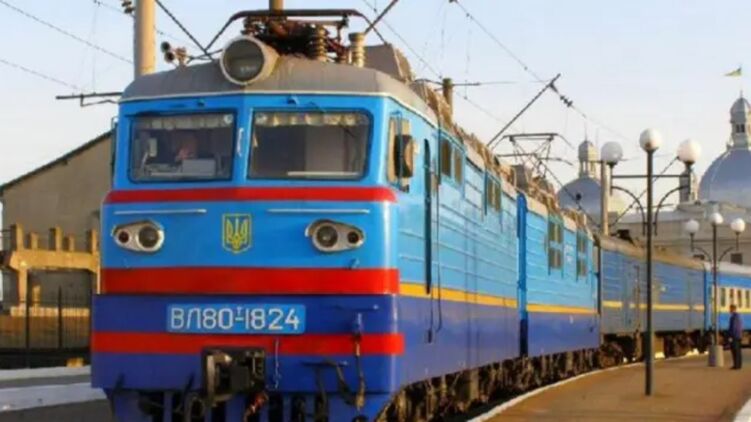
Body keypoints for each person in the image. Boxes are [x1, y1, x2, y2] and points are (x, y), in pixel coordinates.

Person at [728, 304, 743, 369]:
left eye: (730, 309)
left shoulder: (734, 317)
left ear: (732, 309)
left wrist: (731, 336)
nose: (729, 310)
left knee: (735, 351)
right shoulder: (738, 316)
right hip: (738, 336)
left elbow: (734, 327)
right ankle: (738, 365)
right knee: (738, 351)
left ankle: (736, 366)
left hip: (735, 336)